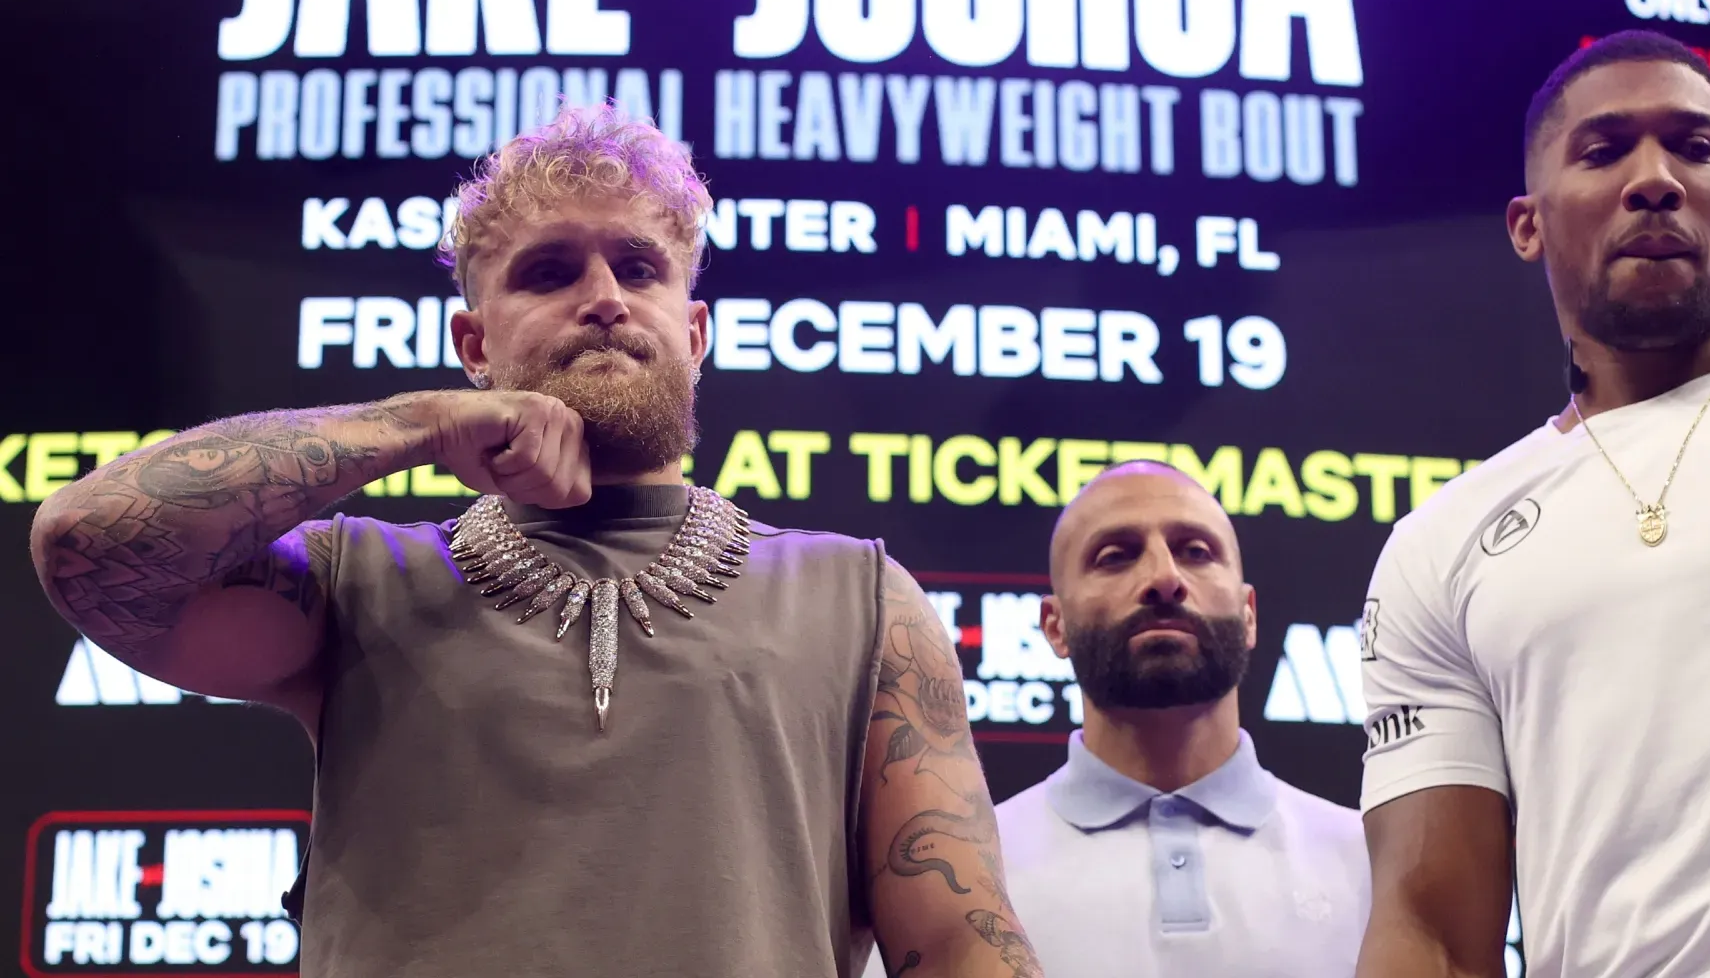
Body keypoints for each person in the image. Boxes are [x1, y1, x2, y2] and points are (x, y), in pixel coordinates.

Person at [30, 104, 1044, 978]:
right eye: (551, 270)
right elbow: (88, 544)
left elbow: (957, 940)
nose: (603, 294)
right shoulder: (361, 582)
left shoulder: (857, 595)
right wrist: (410, 426)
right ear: (474, 344)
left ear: (692, 332)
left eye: (638, 266)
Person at [1354, 28, 1710, 978]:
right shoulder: (1438, 545)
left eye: (1694, 148)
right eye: (1604, 150)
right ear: (1527, 223)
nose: (1654, 178)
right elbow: (1431, 932)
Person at [867, 461, 1370, 978]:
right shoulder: (955, 881)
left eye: (1196, 552)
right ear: (1054, 626)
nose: (1165, 579)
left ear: (1249, 615)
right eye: (1115, 557)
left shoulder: (1373, 868)